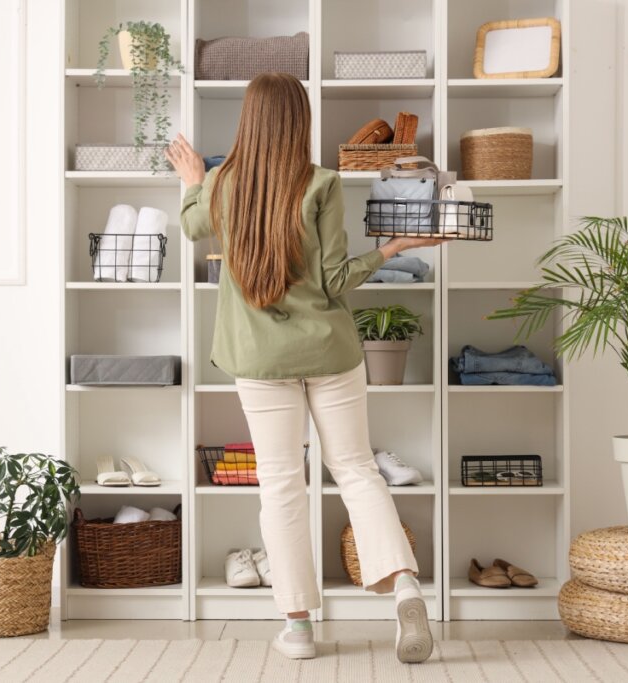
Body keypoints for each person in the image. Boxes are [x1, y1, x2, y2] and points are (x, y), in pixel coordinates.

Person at [168, 72, 447, 664]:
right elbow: (336, 280)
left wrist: (193, 181)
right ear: (301, 122)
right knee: (355, 471)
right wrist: (389, 251)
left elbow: (192, 226)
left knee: (280, 484)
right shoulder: (322, 182)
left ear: (249, 121)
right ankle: (402, 586)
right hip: (330, 353)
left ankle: (297, 628)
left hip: (260, 361)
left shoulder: (221, 185)